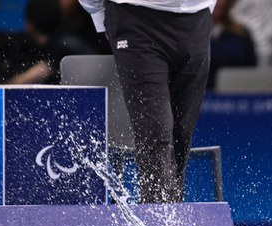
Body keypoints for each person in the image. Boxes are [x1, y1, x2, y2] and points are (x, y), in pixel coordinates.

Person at [78, 0, 214, 203]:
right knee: (156, 130)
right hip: (136, 19)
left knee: (181, 133)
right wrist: (99, 14)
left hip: (196, 20)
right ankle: (157, 215)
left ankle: (171, 213)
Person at [8, 0, 95, 84]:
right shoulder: (64, 40)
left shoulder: (64, 45)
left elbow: (43, 69)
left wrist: (8, 84)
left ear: (29, 25)